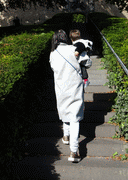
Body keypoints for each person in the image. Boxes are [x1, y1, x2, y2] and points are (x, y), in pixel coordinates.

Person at [49, 29, 84, 162]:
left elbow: (53, 68)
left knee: (65, 111)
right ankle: (74, 151)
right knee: (74, 117)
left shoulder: (53, 54)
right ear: (65, 38)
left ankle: (66, 136)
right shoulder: (73, 48)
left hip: (61, 88)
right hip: (74, 85)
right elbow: (86, 61)